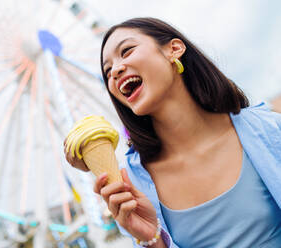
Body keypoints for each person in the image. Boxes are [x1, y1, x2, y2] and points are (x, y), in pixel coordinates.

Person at [64, 17, 281, 247]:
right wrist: (152, 239)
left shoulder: (268, 129)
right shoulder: (130, 185)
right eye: (107, 72)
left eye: (126, 51)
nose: (115, 71)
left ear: (174, 50)